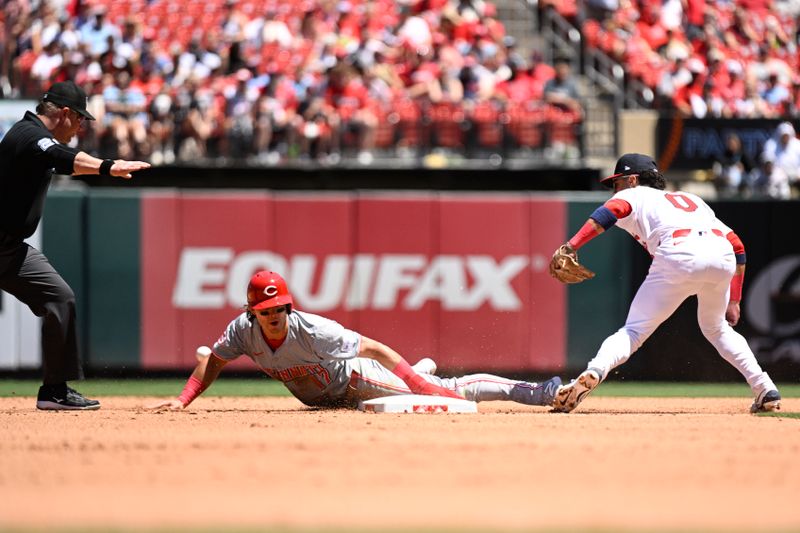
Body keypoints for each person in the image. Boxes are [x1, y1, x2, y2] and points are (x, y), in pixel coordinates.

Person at [551, 153, 781, 414]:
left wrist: (571, 245)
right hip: (722, 256)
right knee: (716, 328)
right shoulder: (692, 200)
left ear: (632, 179)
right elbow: (737, 246)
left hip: (679, 253)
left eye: (617, 182)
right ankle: (765, 388)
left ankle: (594, 370)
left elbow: (610, 212)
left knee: (634, 331)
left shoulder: (634, 193)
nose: (614, 189)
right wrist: (735, 299)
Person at [150, 271, 562, 411]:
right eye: (266, 312)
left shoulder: (313, 330)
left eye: (280, 309)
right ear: (251, 312)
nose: (275, 317)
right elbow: (215, 359)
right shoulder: (242, 331)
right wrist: (183, 399)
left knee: (448, 394)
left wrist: (419, 388)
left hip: (355, 380)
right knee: (410, 388)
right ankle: (418, 372)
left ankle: (538, 393)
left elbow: (375, 349)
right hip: (325, 396)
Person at [0, 80, 150, 410]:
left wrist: (97, 168)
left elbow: (62, 162)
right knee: (60, 298)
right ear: (65, 114)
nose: (81, 125)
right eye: (81, 118)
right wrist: (108, 166)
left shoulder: (33, 138)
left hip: (10, 250)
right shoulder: (29, 135)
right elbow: (58, 155)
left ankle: (55, 390)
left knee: (59, 298)